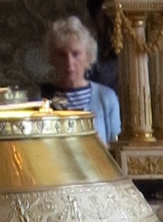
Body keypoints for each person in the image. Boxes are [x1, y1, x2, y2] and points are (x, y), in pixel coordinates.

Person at [43, 14, 121, 142]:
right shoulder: (42, 99)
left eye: (76, 54)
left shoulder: (106, 98)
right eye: (62, 55)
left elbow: (116, 150)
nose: (69, 62)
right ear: (52, 59)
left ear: (88, 57)